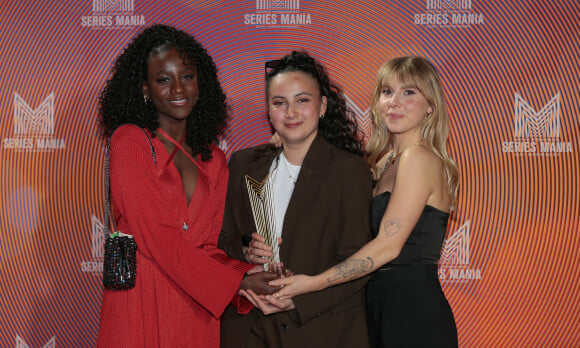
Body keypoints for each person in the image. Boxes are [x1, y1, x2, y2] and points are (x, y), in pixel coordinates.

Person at [96, 24, 278, 347]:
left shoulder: (216, 161)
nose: (178, 89)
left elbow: (207, 249)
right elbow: (156, 236)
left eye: (187, 77)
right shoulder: (130, 141)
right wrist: (234, 283)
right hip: (141, 309)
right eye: (163, 79)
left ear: (201, 83)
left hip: (194, 313)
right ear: (145, 90)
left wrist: (247, 275)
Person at [266, 56, 460, 347]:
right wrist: (296, 139)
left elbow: (387, 245)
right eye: (386, 92)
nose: (394, 102)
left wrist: (312, 283)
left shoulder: (419, 158)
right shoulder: (381, 164)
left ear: (430, 105)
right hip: (378, 308)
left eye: (409, 92)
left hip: (414, 312)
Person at [218, 51, 372, 348]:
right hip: (251, 330)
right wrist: (246, 252)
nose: (290, 113)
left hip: (322, 330)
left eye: (302, 100)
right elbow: (221, 241)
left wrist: (298, 302)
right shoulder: (242, 164)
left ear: (323, 105)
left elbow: (360, 264)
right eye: (279, 103)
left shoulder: (350, 171)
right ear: (268, 109)